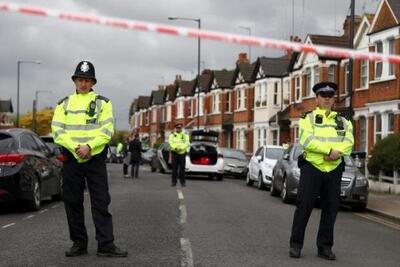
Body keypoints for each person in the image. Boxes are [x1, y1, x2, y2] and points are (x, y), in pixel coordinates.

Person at [51, 61, 128, 257]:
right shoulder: (63, 104)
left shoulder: (104, 103)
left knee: (101, 202)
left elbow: (106, 131)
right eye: (80, 79)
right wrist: (77, 148)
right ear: (74, 81)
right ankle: (79, 244)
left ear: (93, 82)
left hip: (94, 159)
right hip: (72, 160)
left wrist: (89, 147)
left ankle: (106, 245)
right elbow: (58, 132)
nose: (83, 83)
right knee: (73, 202)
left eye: (87, 80)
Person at [289, 82, 354, 260]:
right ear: (317, 98)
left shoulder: (343, 121)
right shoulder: (307, 119)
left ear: (334, 99)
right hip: (313, 168)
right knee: (304, 206)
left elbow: (349, 142)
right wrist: (328, 151)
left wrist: (336, 154)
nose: (327, 99)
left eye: (330, 96)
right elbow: (307, 140)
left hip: (334, 169)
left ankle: (324, 247)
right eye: (323, 95)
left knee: (331, 209)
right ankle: (296, 245)